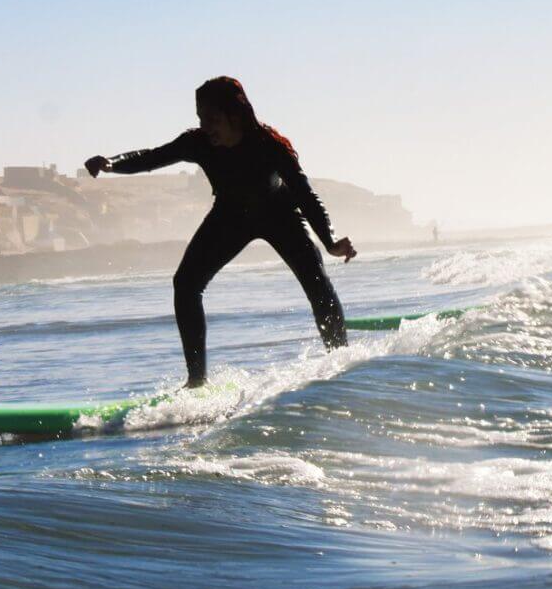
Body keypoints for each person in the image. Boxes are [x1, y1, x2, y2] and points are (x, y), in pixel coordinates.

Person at [84, 77, 356, 387]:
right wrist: (111, 164)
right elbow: (152, 157)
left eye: (211, 118)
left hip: (280, 216)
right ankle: (197, 382)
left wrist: (330, 241)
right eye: (200, 117)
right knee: (185, 284)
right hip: (230, 216)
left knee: (316, 281)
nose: (205, 126)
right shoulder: (198, 142)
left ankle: (342, 363)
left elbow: (306, 195)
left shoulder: (271, 146)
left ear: (235, 115)